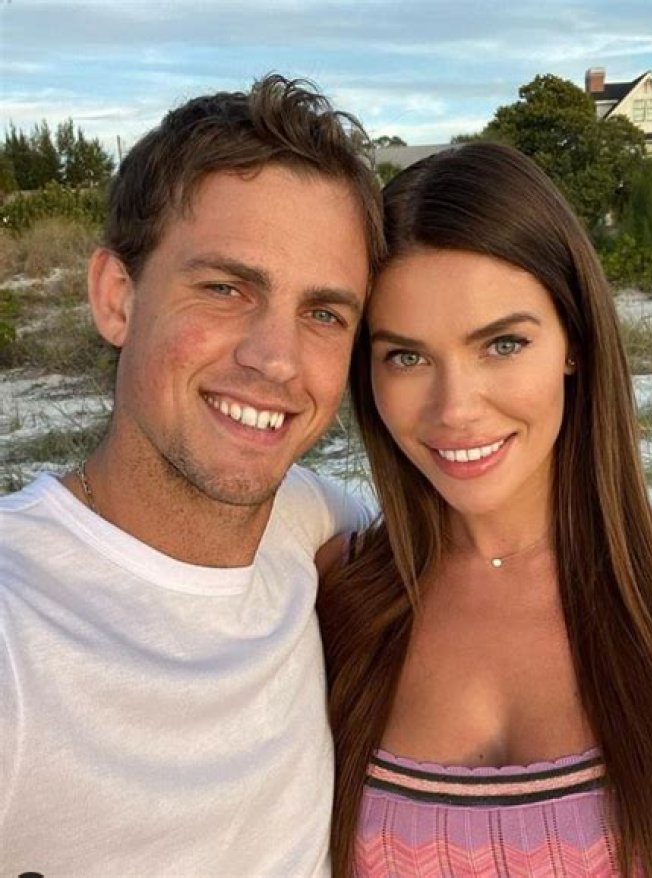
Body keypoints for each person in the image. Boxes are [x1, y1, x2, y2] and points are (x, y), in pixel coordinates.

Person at [0, 75, 385, 875]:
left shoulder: (307, 520)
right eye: (225, 288)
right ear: (117, 298)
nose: (276, 359)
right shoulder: (19, 627)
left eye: (323, 313)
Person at [318, 143, 652, 878]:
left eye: (502, 344)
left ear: (574, 342)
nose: (455, 408)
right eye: (406, 356)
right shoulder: (333, 593)